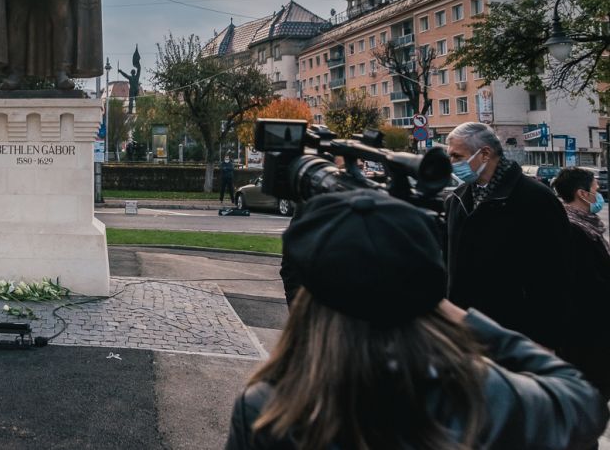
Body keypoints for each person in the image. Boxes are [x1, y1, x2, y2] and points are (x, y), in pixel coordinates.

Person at [226, 191, 608, 450]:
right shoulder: (479, 395)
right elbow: (582, 402)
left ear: (312, 299)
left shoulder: (269, 409)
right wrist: (459, 316)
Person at [443, 121, 571, 348]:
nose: (451, 163)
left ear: (484, 154)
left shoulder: (535, 199)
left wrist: (544, 340)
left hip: (516, 334)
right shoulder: (457, 199)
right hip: (464, 331)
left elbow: (556, 275)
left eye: (457, 156)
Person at [553, 166, 610, 398]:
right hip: (586, 332)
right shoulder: (574, 229)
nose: (599, 194)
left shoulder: (586, 224)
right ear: (582, 194)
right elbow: (589, 282)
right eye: (596, 189)